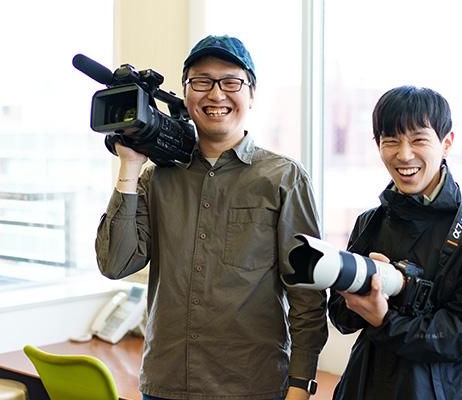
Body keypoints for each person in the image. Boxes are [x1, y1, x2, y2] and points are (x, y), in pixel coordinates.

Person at [95, 35, 328, 400]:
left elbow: (307, 293)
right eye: (201, 82)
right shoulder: (156, 178)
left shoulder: (283, 177)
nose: (216, 94)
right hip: (165, 383)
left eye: (231, 82)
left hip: (253, 387)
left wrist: (300, 384)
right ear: (186, 94)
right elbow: (115, 263)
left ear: (251, 94)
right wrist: (130, 165)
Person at [328, 85, 462, 399]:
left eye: (418, 140)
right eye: (390, 140)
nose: (404, 154)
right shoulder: (371, 222)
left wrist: (385, 320)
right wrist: (361, 289)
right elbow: (340, 317)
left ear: (446, 143)